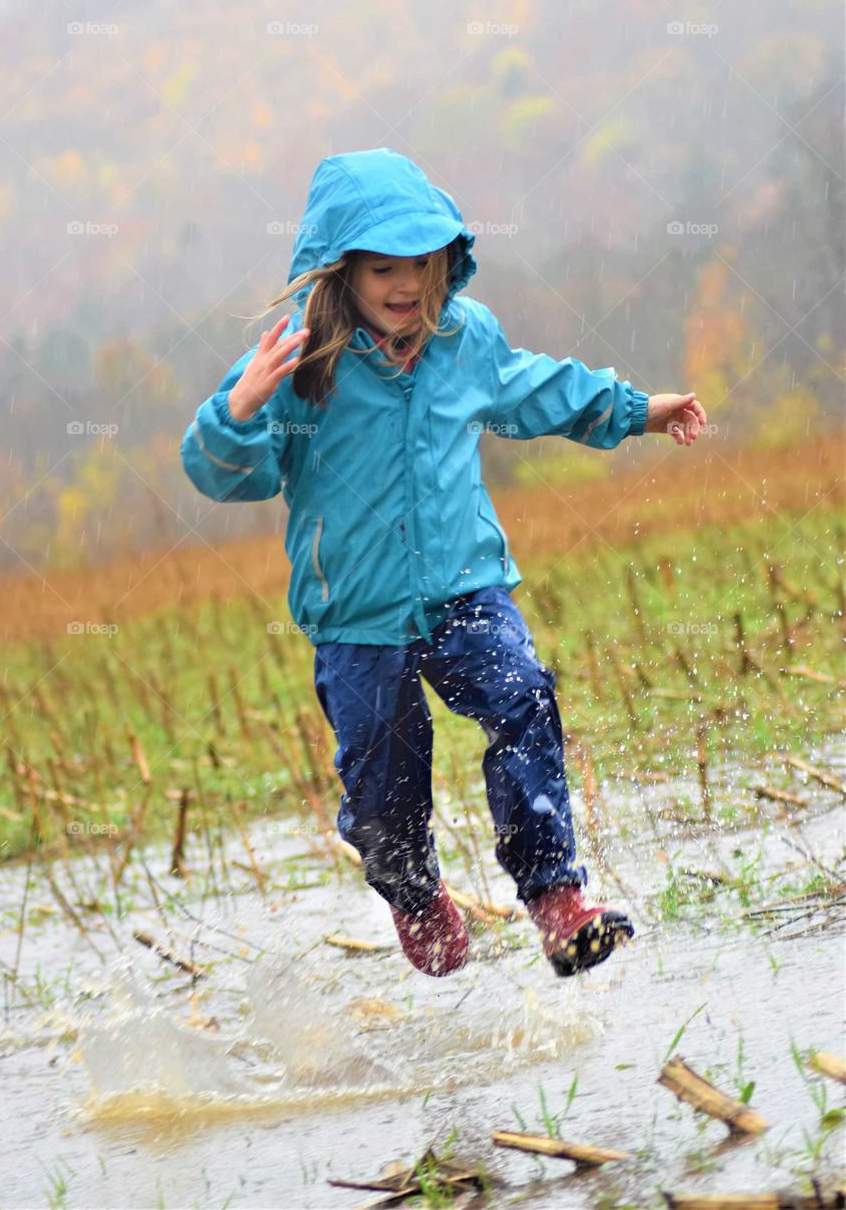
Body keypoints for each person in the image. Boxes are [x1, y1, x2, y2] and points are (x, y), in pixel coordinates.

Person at [181, 148, 706, 979]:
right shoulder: (298, 364)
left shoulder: (465, 339)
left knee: (523, 701)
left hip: (465, 586)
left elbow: (537, 390)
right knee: (382, 785)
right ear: (341, 271)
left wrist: (637, 410)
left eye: (419, 265)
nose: (403, 285)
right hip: (356, 615)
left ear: (444, 262)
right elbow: (225, 475)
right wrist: (236, 411)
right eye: (382, 267)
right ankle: (417, 898)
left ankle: (557, 902)